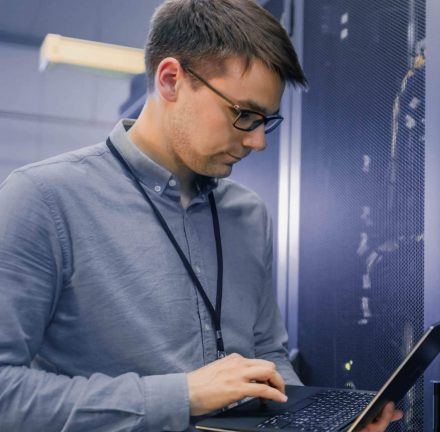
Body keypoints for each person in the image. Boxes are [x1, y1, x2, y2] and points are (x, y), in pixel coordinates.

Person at [0, 0, 402, 430]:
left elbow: (267, 354)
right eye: (244, 114)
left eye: (266, 120)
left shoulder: (248, 215)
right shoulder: (41, 199)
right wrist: (181, 396)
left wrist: (315, 424)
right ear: (171, 80)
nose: (257, 142)